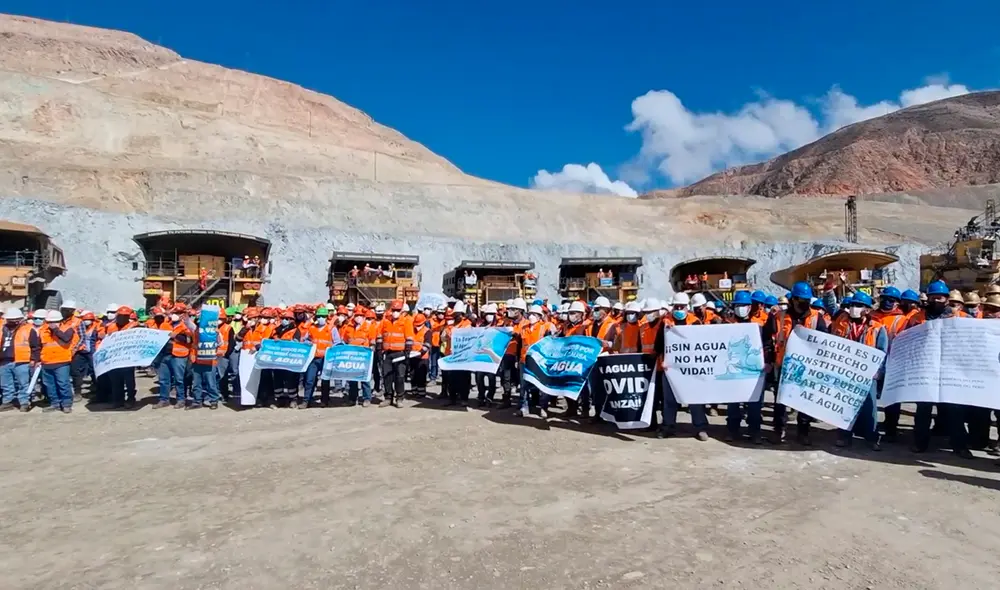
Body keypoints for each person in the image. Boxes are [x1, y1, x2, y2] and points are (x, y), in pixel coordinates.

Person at [903, 280, 973, 459]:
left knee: (954, 410)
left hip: (950, 370)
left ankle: (960, 445)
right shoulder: (917, 318)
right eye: (932, 297)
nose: (935, 301)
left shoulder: (961, 318)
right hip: (926, 370)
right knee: (923, 410)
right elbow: (906, 340)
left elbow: (974, 338)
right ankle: (920, 443)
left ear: (947, 299)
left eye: (939, 298)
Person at [763, 281, 829, 445]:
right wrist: (769, 359)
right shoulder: (778, 317)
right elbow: (767, 339)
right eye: (800, 300)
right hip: (783, 365)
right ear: (792, 299)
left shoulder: (816, 318)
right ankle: (778, 430)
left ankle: (803, 432)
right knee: (780, 401)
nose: (803, 303)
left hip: (807, 367)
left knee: (804, 401)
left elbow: (824, 341)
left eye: (806, 300)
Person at [830, 291, 886, 450]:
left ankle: (871, 438)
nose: (854, 308)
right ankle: (844, 435)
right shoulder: (841, 322)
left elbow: (882, 351)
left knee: (869, 407)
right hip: (845, 372)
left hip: (868, 374)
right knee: (844, 405)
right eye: (853, 305)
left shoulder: (877, 328)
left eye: (859, 305)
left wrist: (879, 371)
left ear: (867, 309)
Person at [657, 292, 707, 440]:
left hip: (691, 368)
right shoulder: (665, 322)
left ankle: (700, 427)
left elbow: (703, 345)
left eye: (682, 307)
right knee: (669, 400)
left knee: (694, 399)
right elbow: (658, 345)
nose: (679, 309)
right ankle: (668, 426)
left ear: (687, 307)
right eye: (676, 306)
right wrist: (662, 360)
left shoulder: (695, 322)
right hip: (671, 368)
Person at [724, 291, 764, 444]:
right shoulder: (726, 326)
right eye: (738, 305)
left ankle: (755, 431)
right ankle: (732, 430)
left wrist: (767, 362)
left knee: (754, 404)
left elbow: (766, 344)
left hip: (753, 371)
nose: (741, 308)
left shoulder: (757, 326)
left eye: (744, 305)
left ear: (750, 307)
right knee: (733, 403)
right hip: (733, 370)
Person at [516, 304, 553, 418]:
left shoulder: (545, 327)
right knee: (524, 386)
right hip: (524, 361)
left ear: (539, 316)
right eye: (530, 314)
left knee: (542, 385)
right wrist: (517, 359)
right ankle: (524, 407)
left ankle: (543, 407)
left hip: (539, 362)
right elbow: (519, 345)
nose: (531, 316)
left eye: (534, 314)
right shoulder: (524, 328)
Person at [0, 308, 40, 412]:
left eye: (14, 319)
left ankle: (24, 402)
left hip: (22, 361)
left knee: (23, 383)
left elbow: (35, 346)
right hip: (4, 360)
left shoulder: (28, 329)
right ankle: (7, 402)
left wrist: (34, 359)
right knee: (6, 384)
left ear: (20, 319)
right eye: (10, 320)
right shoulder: (2, 329)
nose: (12, 322)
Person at [378, 300, 414, 407]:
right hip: (388, 353)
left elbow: (409, 337)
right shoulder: (385, 321)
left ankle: (399, 398)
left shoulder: (406, 322)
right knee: (387, 376)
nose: (395, 312)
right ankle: (388, 398)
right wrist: (379, 349)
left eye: (397, 310)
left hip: (400, 353)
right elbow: (379, 335)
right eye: (394, 310)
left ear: (401, 311)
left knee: (400, 377)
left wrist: (407, 350)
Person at [39, 309, 76, 413]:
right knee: (49, 385)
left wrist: (55, 330)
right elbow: (38, 346)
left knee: (63, 383)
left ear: (60, 321)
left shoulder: (68, 329)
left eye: (54, 321)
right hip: (46, 362)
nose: (51, 324)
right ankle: (54, 403)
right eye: (49, 322)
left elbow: (66, 339)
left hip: (62, 362)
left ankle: (66, 404)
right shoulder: (43, 331)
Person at [304, 306, 339, 407]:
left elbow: (337, 342)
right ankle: (306, 400)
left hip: (326, 359)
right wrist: (307, 343)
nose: (321, 318)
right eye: (319, 316)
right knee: (310, 380)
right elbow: (306, 339)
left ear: (326, 317)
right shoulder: (312, 328)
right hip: (314, 359)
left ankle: (324, 400)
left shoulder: (331, 329)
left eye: (323, 316)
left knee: (325, 380)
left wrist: (332, 350)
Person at [157, 308, 192, 409]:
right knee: (163, 379)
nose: (174, 315)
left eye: (177, 313)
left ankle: (181, 399)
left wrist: (175, 336)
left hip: (179, 356)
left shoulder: (186, 325)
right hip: (164, 355)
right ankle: (164, 400)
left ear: (182, 314)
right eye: (173, 313)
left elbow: (189, 340)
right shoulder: (164, 325)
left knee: (179, 379)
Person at [443, 301, 473, 406]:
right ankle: (452, 398)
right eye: (455, 314)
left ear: (462, 314)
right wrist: (447, 334)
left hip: (463, 356)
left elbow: (468, 337)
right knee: (451, 378)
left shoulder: (467, 324)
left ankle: (464, 398)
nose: (457, 316)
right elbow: (443, 337)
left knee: (464, 378)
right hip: (451, 356)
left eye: (459, 314)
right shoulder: (450, 326)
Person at [474, 303, 500, 406]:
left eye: (492, 314)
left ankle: (490, 397)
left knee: (491, 378)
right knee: (479, 378)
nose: (489, 316)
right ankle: (481, 396)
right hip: (480, 356)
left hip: (491, 357)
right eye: (488, 314)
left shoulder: (498, 327)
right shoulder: (480, 327)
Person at [410, 312, 432, 397]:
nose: (417, 327)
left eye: (419, 325)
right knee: (413, 374)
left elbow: (427, 344)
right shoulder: (412, 330)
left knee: (421, 375)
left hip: (422, 357)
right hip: (412, 356)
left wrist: (420, 352)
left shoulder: (427, 331)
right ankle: (414, 391)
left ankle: (421, 392)